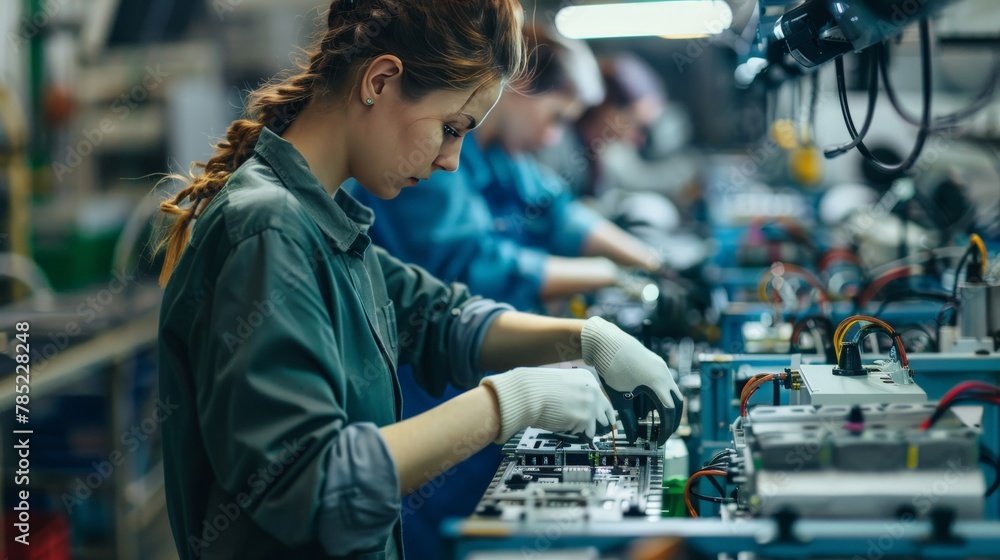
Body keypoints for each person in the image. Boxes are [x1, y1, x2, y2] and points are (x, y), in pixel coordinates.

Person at [154, 2, 681, 560]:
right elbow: (313, 486)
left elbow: (439, 317)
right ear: (380, 81)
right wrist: (512, 402)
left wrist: (586, 339)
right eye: (451, 129)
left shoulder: (321, 221)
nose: (453, 162)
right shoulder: (268, 228)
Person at [348, 25, 667, 315]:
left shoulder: (502, 157)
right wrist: (609, 275)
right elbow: (475, 266)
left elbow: (556, 212)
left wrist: (651, 261)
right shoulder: (431, 160)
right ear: (519, 84)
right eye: (554, 117)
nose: (552, 138)